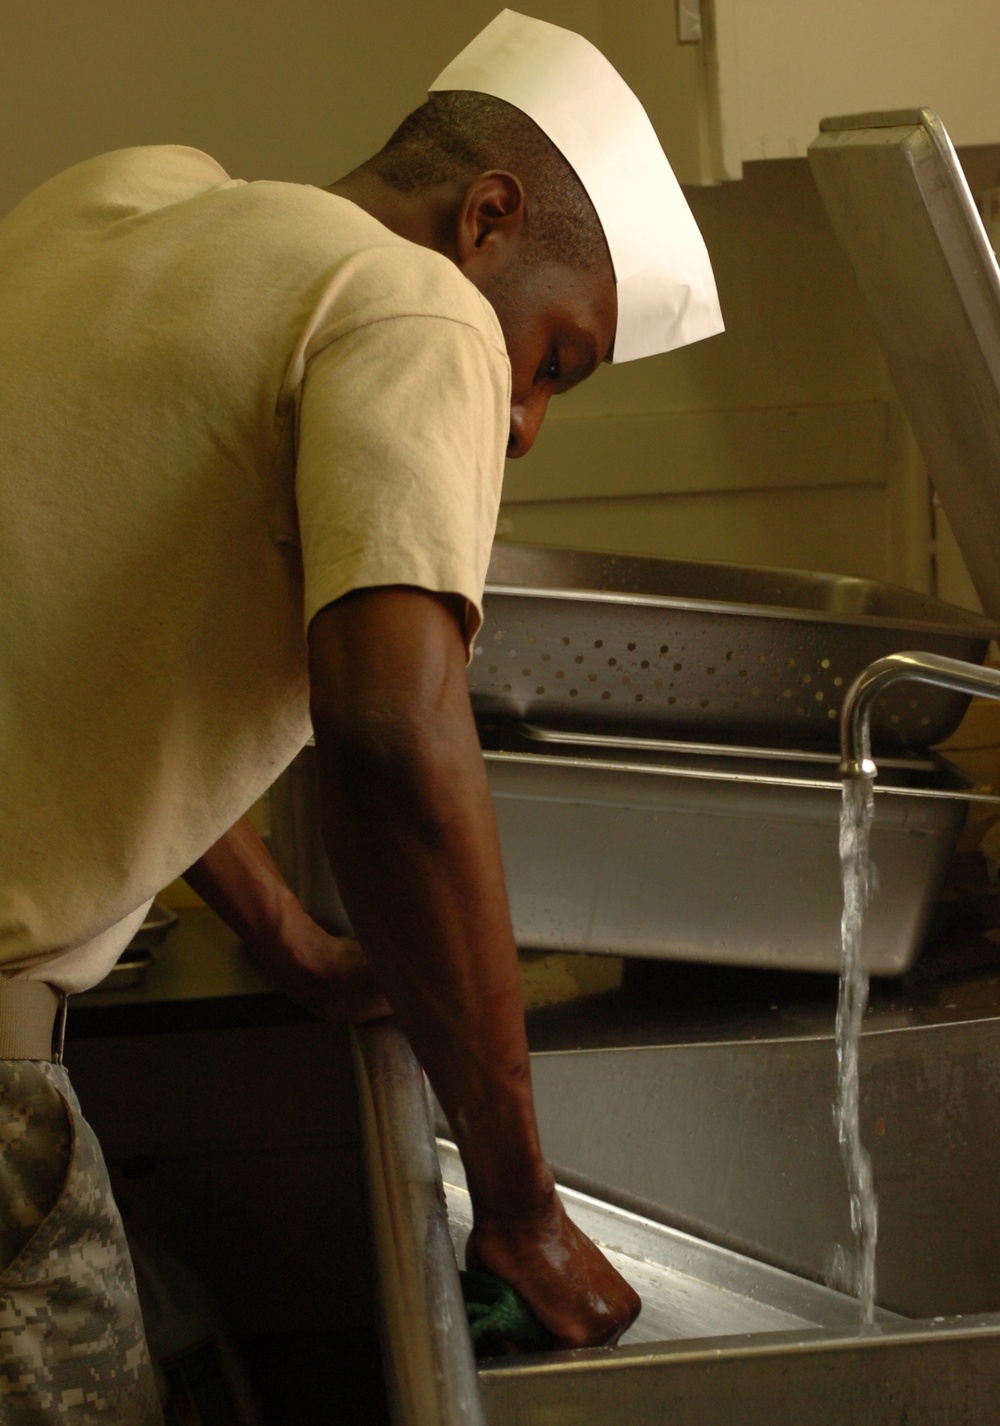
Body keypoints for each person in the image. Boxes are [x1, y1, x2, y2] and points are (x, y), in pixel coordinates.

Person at [0, 10, 722, 1422]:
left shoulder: (126, 198)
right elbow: (392, 731)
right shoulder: (420, 308)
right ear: (488, 219)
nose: (525, 423)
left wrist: (290, 941)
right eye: (559, 361)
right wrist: (519, 1203)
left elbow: (100, 636)